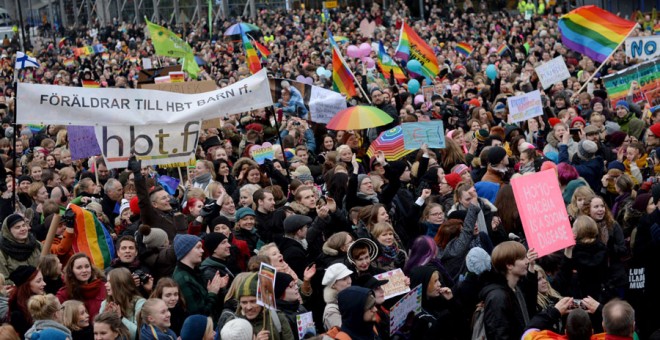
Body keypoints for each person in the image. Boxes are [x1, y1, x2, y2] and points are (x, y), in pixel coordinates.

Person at [479, 241, 538, 340]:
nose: (527, 261)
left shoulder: (515, 289)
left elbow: (530, 307)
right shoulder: (498, 297)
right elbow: (500, 335)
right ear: (509, 265)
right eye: (523, 258)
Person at [172, 234, 227, 316]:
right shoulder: (183, 279)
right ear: (186, 250)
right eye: (198, 247)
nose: (202, 251)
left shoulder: (195, 271)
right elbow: (199, 315)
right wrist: (212, 293)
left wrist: (215, 289)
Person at [233, 273, 294, 340]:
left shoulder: (277, 318)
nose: (249, 307)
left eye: (253, 301)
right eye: (244, 302)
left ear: (262, 301)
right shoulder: (233, 324)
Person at [409, 266, 463, 340]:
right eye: (435, 281)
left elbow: (461, 321)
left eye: (438, 280)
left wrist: (451, 300)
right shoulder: (419, 319)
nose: (439, 284)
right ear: (424, 284)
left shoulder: (437, 300)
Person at [57, 253, 106, 321]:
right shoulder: (64, 294)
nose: (84, 270)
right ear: (71, 271)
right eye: (79, 268)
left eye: (87, 266)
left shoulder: (104, 287)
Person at [100, 268, 146, 339]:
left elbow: (138, 334)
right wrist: (106, 318)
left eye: (109, 281)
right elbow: (99, 332)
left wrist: (120, 318)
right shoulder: (105, 303)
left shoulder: (140, 303)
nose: (105, 285)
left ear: (120, 284)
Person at [0, 214, 42, 284]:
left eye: (23, 225)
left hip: (41, 287)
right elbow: (4, 280)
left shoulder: (37, 244)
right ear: (8, 231)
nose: (22, 229)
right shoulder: (2, 252)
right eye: (17, 227)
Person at [8, 265, 46, 337]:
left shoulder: (45, 300)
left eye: (43, 280)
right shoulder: (17, 313)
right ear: (27, 286)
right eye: (38, 281)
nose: (44, 283)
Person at [322, 263, 353, 331]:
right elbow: (345, 332)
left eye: (349, 277)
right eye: (344, 279)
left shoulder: (350, 299)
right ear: (333, 285)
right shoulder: (331, 311)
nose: (349, 281)